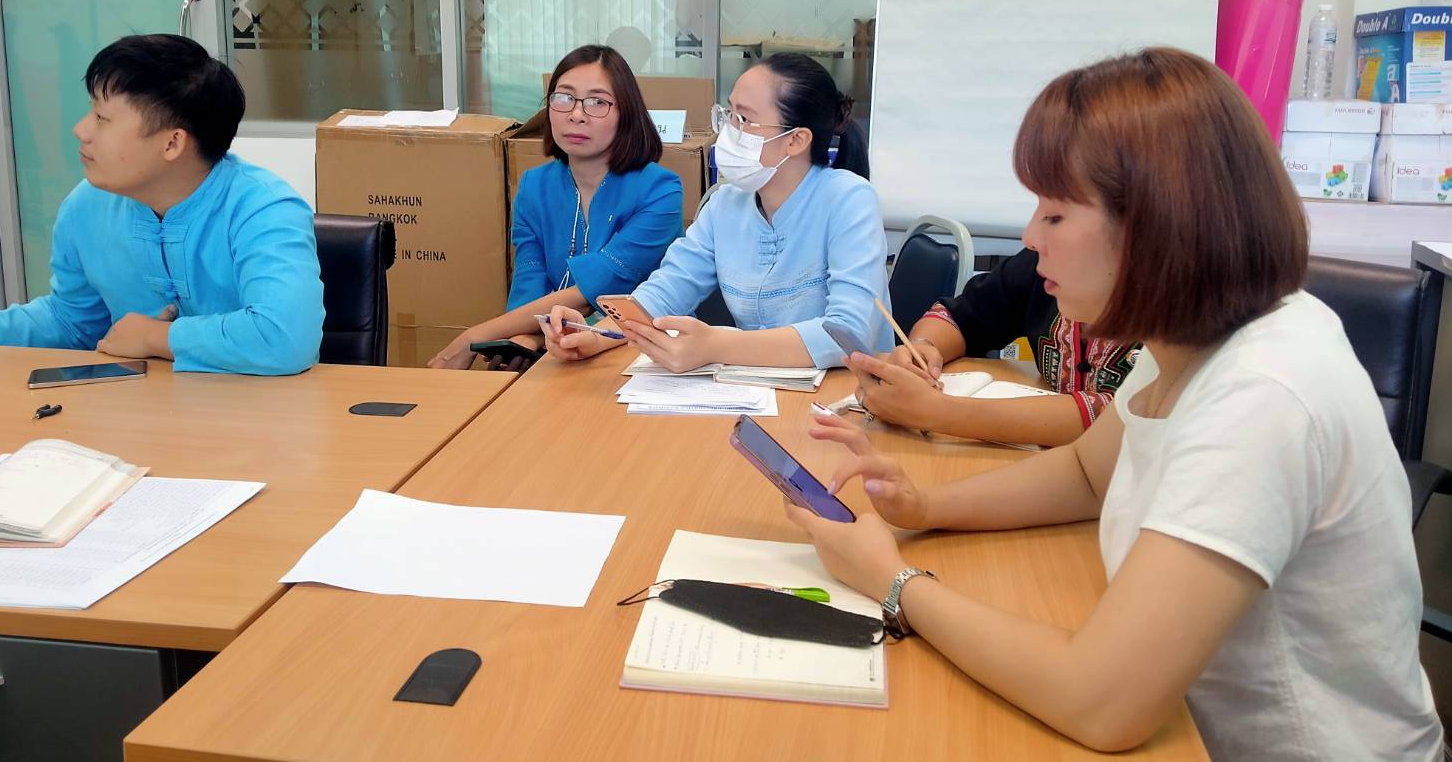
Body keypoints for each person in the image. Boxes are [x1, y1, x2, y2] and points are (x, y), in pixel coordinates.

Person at [786, 47, 1443, 762]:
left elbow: (1102, 702)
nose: (1030, 236)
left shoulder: (1263, 391)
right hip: (1190, 739)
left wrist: (891, 579)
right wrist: (926, 507)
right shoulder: (1187, 337)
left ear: (1160, 224)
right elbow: (1085, 472)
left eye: (1055, 212)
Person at [0, 34, 324, 375]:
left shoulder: (264, 210)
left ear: (172, 143)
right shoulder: (85, 206)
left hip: (259, 418)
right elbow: (73, 324)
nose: (81, 130)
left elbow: (285, 338)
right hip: (143, 417)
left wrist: (155, 337)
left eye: (102, 118)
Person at [542, 52, 892, 372]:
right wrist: (596, 335)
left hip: (845, 397)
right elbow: (667, 289)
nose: (728, 131)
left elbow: (848, 333)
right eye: (727, 113)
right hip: (756, 394)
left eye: (744, 119)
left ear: (796, 140)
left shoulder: (849, 199)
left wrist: (718, 346)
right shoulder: (726, 203)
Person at [429, 45, 682, 371]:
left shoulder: (660, 189)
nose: (577, 114)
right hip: (558, 352)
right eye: (564, 98)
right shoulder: (534, 186)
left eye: (597, 102)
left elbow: (599, 287)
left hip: (642, 357)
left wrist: (471, 337)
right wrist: (526, 337)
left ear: (626, 113)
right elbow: (529, 280)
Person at [854, 247, 1141, 446]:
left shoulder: (1180, 310)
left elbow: (1121, 416)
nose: (1030, 235)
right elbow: (964, 315)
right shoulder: (1040, 264)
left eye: (1057, 215)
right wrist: (922, 348)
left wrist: (940, 412)